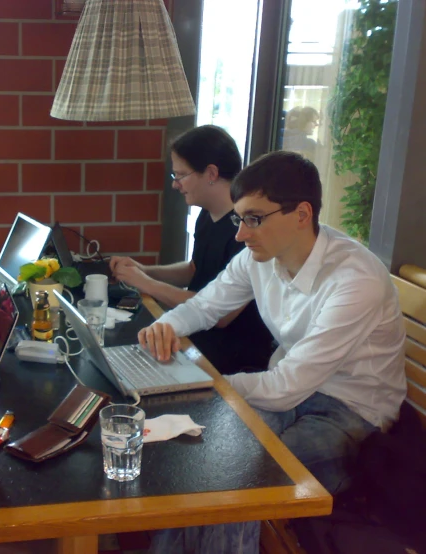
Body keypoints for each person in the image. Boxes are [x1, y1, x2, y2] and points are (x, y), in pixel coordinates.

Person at [141, 151, 406, 553]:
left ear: (302, 214)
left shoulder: (355, 280)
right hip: (289, 395)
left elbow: (286, 386)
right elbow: (206, 306)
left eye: (254, 218)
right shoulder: (259, 257)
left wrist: (205, 385)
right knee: (203, 459)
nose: (241, 235)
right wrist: (166, 326)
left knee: (244, 475)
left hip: (352, 414)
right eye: (240, 218)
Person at [110, 125, 274, 374]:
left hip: (233, 354)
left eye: (180, 175)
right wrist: (147, 271)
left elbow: (220, 315)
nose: (176, 185)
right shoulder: (207, 215)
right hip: (200, 333)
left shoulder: (246, 232)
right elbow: (195, 268)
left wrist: (145, 283)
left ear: (210, 173)